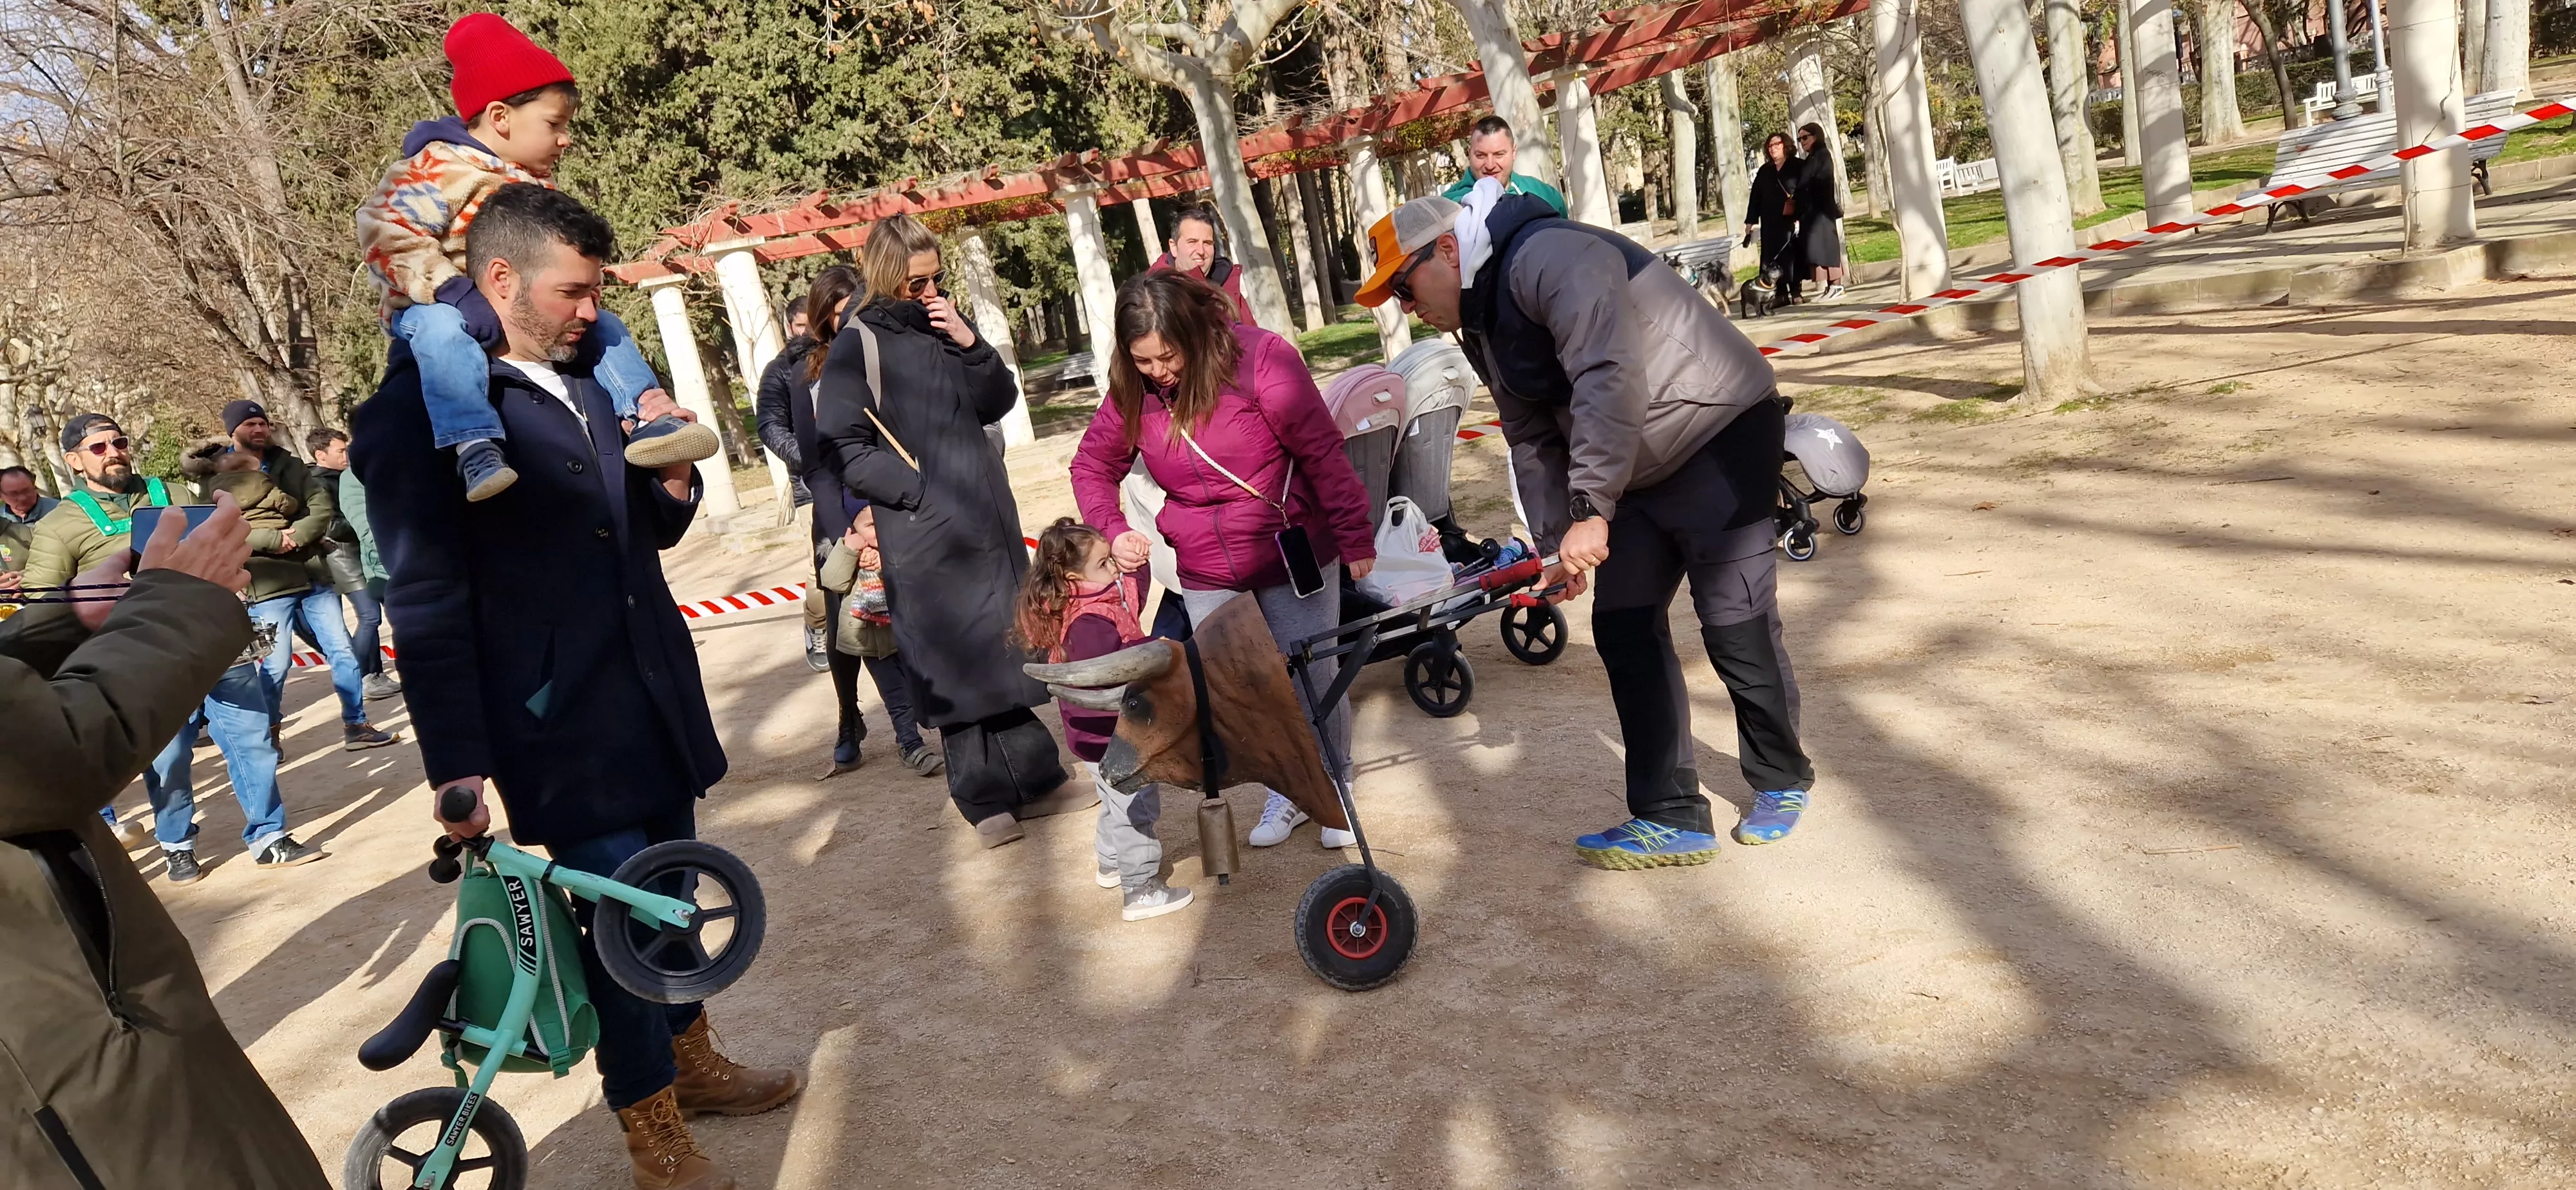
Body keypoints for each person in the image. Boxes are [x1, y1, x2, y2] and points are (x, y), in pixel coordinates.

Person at [354, 182, 800, 1190]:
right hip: (555, 725)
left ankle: (692, 1068)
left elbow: (625, 538)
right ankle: (652, 1133)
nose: (594, 309)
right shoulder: (410, 415)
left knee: (676, 897)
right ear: (500, 278)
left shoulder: (594, 379)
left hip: (653, 693)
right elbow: (425, 604)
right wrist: (458, 766)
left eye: (597, 290)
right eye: (575, 291)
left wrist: (672, 490)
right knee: (627, 928)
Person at [1361, 185, 1817, 868]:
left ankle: (1781, 778)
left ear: (1448, 251)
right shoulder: (1479, 320)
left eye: (1403, 285)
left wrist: (1593, 510)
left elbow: (1609, 376)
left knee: (1733, 619)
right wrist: (1555, 545)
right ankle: (1669, 816)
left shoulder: (1552, 255)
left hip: (1718, 429)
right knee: (1625, 624)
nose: (1405, 306)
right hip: (1634, 463)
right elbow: (1528, 435)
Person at [0, 490, 334, 1189]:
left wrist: (63, 624)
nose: (112, 452)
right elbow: (55, 757)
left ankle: (266, 831)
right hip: (66, 1063)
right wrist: (180, 603)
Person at [1068, 270, 1378, 850]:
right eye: (1143, 361)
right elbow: (1090, 466)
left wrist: (1355, 537)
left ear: (1192, 331)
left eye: (1167, 356)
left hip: (1292, 550)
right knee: (1244, 690)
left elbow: (1322, 452)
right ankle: (1287, 789)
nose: (1159, 371)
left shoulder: (1262, 360)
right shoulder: (1134, 392)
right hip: (1207, 565)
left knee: (1312, 678)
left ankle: (1335, 779)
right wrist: (1112, 529)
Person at [354, 12, 715, 502]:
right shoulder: (437, 167)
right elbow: (385, 229)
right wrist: (454, 292)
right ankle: (474, 444)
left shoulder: (529, 180)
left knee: (604, 327)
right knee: (444, 333)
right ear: (501, 117)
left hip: (505, 310)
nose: (566, 138)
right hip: (433, 305)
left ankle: (650, 413)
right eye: (555, 124)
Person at [817, 212, 1091, 848]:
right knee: (951, 662)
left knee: (1003, 648)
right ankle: (981, 797)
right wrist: (915, 494)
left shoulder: (944, 323)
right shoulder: (860, 342)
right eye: (916, 283)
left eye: (936, 278)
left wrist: (970, 342)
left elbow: (996, 401)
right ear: (887, 278)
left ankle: (1037, 777)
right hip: (922, 531)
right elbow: (843, 443)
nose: (929, 290)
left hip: (988, 521)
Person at [1014, 517, 1191, 920]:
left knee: (1114, 802)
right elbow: (1112, 667)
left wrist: (1135, 562)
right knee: (1137, 808)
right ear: (1073, 576)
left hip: (1091, 738)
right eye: (1105, 563)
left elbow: (1132, 593)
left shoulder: (1084, 599)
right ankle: (1141, 890)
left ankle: (1110, 862)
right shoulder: (1089, 620)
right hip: (1113, 735)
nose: (1114, 569)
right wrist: (1155, 648)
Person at [219, 401, 398, 752]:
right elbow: (222, 526)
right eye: (250, 424)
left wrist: (297, 536)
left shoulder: (290, 464)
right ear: (233, 431)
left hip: (314, 574)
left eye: (263, 422)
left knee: (343, 652)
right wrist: (273, 539)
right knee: (276, 664)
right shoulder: (217, 475)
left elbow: (321, 507)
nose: (259, 429)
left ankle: (356, 724)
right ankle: (268, 734)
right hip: (267, 585)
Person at [756, 265, 858, 672]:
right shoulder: (781, 370)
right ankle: (819, 627)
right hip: (810, 489)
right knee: (825, 580)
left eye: (809, 324)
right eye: (798, 325)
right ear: (790, 325)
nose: (806, 332)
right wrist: (812, 458)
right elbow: (769, 425)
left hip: (858, 481)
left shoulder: (847, 350)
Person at [812, 506, 942, 779]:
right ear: (853, 528)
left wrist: (889, 561)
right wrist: (849, 550)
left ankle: (938, 735)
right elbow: (831, 581)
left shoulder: (897, 548)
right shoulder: (847, 550)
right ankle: (911, 745)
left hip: (906, 638)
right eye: (870, 526)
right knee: (898, 698)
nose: (877, 531)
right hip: (873, 644)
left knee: (922, 688)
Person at [312, 428, 400, 699]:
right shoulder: (317, 483)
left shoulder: (347, 475)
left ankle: (374, 673)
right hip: (345, 559)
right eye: (340, 451)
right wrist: (365, 517)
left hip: (363, 554)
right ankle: (364, 675)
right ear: (320, 454)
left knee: (378, 616)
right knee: (369, 617)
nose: (346, 455)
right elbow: (330, 525)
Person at [1440, 115, 1571, 217]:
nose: (1490, 165)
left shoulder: (1544, 195)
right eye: (1481, 156)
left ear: (1514, 153)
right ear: (1469, 155)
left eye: (1499, 155)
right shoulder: (1446, 206)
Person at [1149, 203, 1254, 324]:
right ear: (1174, 247)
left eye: (1207, 243)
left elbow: (1255, 337)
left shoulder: (1228, 284)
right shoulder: (1153, 295)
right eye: (1192, 242)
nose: (1201, 251)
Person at [1743, 132, 1803, 297]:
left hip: (1790, 218)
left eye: (1777, 144)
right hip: (1769, 221)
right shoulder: (1765, 170)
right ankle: (1780, 294)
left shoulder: (1797, 166)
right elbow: (1755, 197)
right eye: (1770, 146)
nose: (1773, 148)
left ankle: (1796, 293)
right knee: (1772, 258)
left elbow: (1805, 191)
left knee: (1791, 255)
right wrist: (1750, 222)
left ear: (1786, 146)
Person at [1793, 122, 1847, 301]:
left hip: (1821, 211)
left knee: (1827, 248)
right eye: (1800, 139)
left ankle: (1837, 285)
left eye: (1805, 137)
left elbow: (1820, 183)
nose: (1802, 142)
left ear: (1816, 136)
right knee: (1817, 250)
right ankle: (1829, 287)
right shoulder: (1812, 157)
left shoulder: (1822, 155)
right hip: (1811, 213)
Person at [0, 464, 57, 597]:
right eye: (13, 494)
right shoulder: (2, 522)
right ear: (1, 495)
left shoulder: (59, 511)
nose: (22, 498)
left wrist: (29, 577)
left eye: (27, 491)